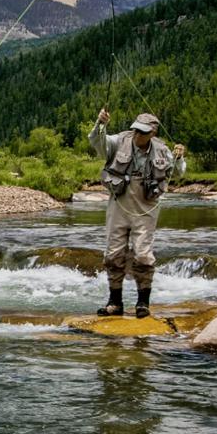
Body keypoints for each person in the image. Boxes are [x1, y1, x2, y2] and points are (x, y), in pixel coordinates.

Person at [89, 109, 187, 318]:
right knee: (113, 254)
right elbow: (97, 142)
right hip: (119, 205)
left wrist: (179, 158)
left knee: (142, 255)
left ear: (152, 133)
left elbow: (178, 173)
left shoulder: (162, 150)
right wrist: (100, 124)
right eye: (136, 130)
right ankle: (115, 303)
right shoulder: (119, 141)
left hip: (146, 208)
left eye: (143, 132)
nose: (137, 135)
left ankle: (143, 303)